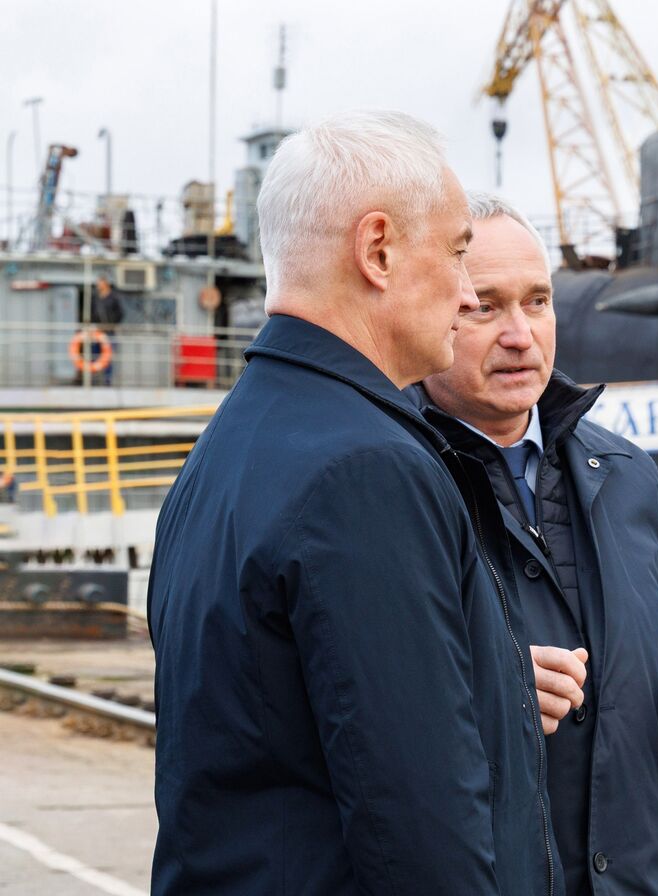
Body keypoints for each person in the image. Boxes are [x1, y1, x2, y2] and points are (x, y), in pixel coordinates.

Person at [147, 111, 560, 895]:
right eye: (458, 252)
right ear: (378, 250)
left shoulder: (227, 447)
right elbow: (420, 830)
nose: (467, 290)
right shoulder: (367, 470)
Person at [411, 192, 658, 895]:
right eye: (485, 307)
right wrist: (490, 691)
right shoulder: (397, 483)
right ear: (430, 312)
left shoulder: (627, 474)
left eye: (537, 302)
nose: (521, 335)